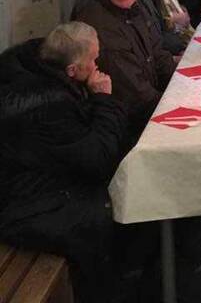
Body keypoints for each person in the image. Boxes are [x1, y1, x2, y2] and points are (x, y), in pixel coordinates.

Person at [0, 22, 127, 303]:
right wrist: (104, 101)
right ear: (72, 70)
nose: (97, 66)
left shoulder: (34, 62)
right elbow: (97, 159)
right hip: (24, 204)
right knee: (107, 210)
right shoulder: (47, 104)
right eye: (93, 60)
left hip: (37, 177)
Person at [78, 0, 175, 142]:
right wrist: (175, 107)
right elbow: (135, 94)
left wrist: (183, 88)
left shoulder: (135, 6)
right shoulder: (100, 24)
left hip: (150, 106)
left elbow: (159, 55)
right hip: (128, 126)